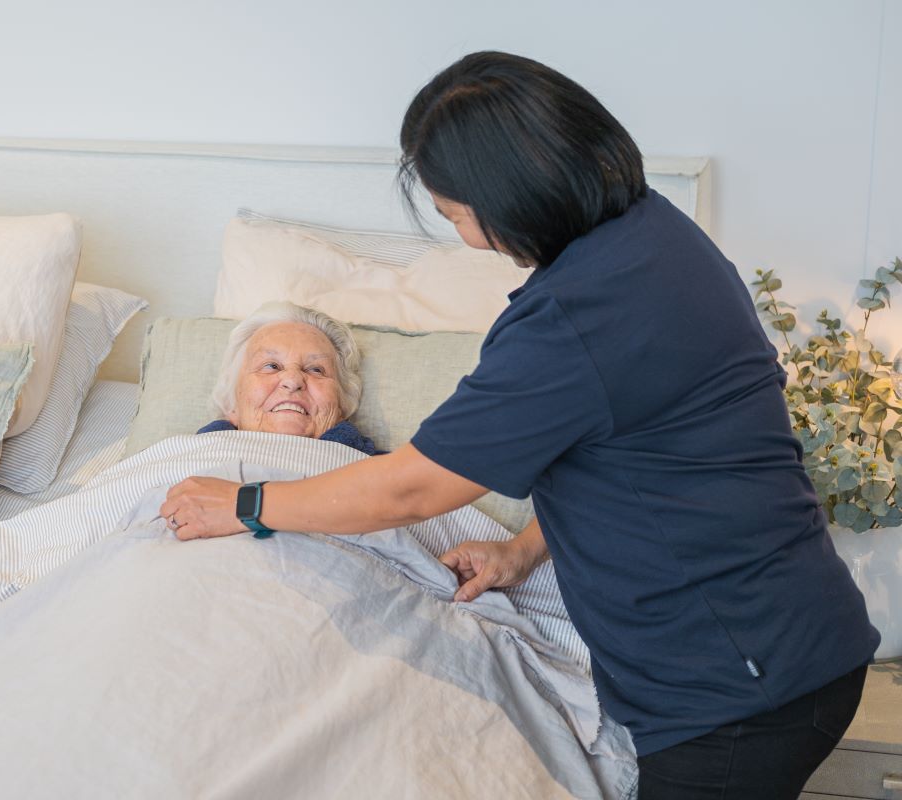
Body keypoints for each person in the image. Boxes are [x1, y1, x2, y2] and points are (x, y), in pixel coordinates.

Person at [161, 52, 878, 799]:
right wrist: (525, 550)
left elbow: (412, 490)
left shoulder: (573, 319)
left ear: (511, 197)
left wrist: (245, 503)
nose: (468, 239)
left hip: (736, 690)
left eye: (454, 215)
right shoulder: (655, 235)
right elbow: (641, 453)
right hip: (798, 639)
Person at [192, 301, 378, 453]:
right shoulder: (175, 463)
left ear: (341, 408)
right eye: (271, 366)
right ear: (232, 405)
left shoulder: (385, 480)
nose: (293, 380)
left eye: (315, 370)